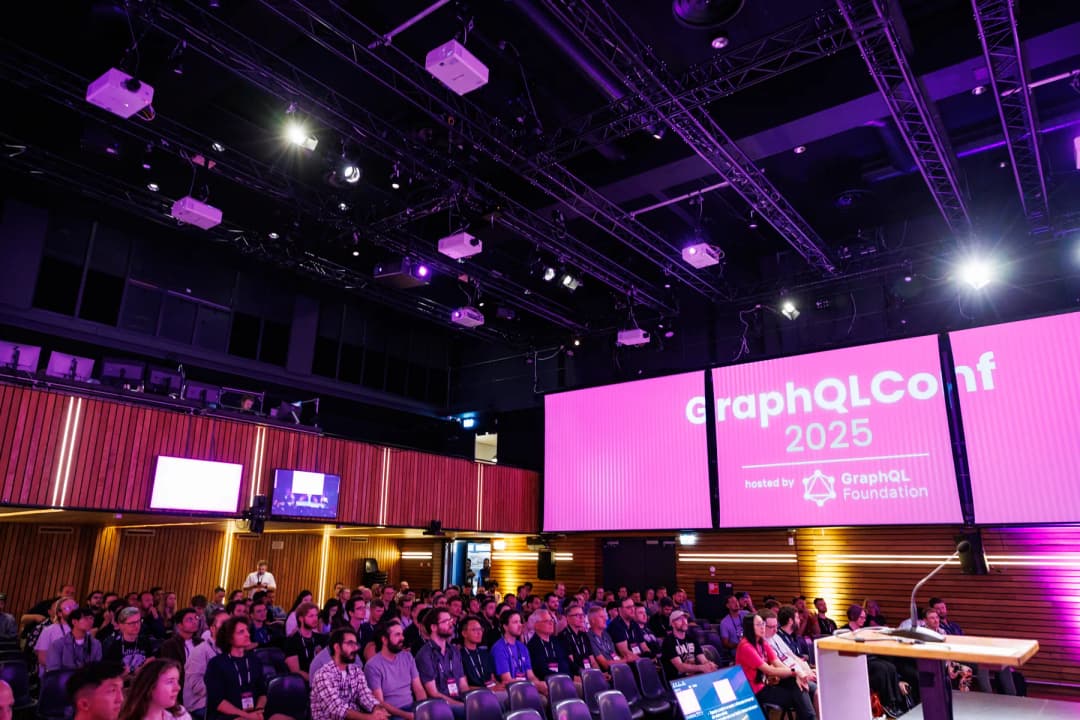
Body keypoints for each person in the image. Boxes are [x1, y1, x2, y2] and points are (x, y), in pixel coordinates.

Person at [735, 613, 815, 720]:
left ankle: (810, 717)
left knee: (797, 686)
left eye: (763, 623)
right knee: (800, 697)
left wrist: (795, 674)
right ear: (749, 627)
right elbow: (770, 670)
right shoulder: (746, 646)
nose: (762, 627)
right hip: (753, 691)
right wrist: (795, 672)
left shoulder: (762, 642)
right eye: (758, 624)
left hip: (765, 685)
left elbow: (778, 663)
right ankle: (811, 717)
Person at [311, 628, 389, 720]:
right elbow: (336, 709)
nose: (355, 648)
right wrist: (369, 718)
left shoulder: (356, 670)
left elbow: (365, 696)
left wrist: (377, 709)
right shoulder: (323, 674)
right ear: (337, 647)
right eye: (350, 643)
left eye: (356, 644)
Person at [204, 618, 266, 720]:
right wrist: (247, 716)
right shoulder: (216, 664)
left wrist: (259, 709)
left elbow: (262, 692)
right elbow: (218, 702)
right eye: (241, 632)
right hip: (227, 715)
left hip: (253, 712)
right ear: (229, 638)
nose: (247, 634)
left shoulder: (254, 660)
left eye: (247, 630)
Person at [364, 621, 426, 720]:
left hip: (413, 708)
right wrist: (407, 716)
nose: (402, 638)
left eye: (402, 634)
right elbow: (379, 702)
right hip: (392, 714)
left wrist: (422, 709)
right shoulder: (372, 666)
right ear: (384, 640)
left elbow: (418, 689)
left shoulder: (407, 657)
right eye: (397, 635)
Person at [414, 609, 469, 719]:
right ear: (433, 627)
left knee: (488, 704)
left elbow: (463, 686)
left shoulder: (454, 651)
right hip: (440, 705)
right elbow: (433, 693)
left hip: (458, 699)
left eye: (450, 620)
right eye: (445, 621)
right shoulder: (425, 655)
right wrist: (461, 705)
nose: (451, 624)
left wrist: (471, 700)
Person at [491, 610, 547, 699]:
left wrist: (538, 684)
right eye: (515, 622)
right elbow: (507, 680)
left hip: (526, 687)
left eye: (520, 622)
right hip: (512, 691)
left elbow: (531, 675)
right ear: (505, 627)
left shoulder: (522, 647)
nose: (520, 625)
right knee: (542, 700)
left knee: (549, 689)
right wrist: (534, 685)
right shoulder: (499, 648)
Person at [185, 609, 227, 720]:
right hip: (201, 703)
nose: (229, 628)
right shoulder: (200, 651)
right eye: (224, 624)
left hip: (224, 699)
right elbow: (196, 686)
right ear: (213, 628)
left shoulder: (229, 650)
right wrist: (225, 690)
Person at [118, 658, 192, 720]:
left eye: (177, 681)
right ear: (150, 686)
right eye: (170, 682)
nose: (178, 688)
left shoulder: (180, 715)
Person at [660, 610, 716, 680]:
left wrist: (709, 664)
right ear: (673, 624)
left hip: (694, 677)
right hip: (677, 680)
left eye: (685, 618)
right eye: (680, 619)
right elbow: (680, 667)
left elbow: (703, 659)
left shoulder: (691, 638)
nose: (684, 622)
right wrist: (702, 667)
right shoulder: (668, 641)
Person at [47, 606, 102, 671]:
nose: (90, 621)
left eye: (91, 618)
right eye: (86, 618)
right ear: (74, 622)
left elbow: (97, 668)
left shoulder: (96, 644)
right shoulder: (58, 644)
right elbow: (53, 670)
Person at [104, 607, 154, 677]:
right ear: (121, 625)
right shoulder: (114, 646)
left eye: (138, 621)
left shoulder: (145, 641)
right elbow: (111, 673)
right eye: (132, 623)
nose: (136, 626)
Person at [161, 608, 204, 688]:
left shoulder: (201, 642)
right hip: (181, 685)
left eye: (196, 618)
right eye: (190, 619)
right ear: (179, 625)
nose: (195, 622)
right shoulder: (170, 645)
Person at [559, 604, 598, 675]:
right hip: (578, 674)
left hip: (590, 672)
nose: (581, 617)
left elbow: (593, 661)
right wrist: (587, 675)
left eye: (582, 615)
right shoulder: (563, 636)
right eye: (577, 615)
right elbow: (571, 664)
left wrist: (599, 673)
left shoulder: (584, 635)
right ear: (567, 618)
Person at [586, 605, 623, 672]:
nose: (605, 619)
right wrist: (625, 660)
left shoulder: (606, 634)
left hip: (617, 667)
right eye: (601, 617)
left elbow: (614, 654)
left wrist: (623, 663)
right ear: (593, 620)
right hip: (608, 672)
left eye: (605, 616)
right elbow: (604, 664)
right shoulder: (589, 637)